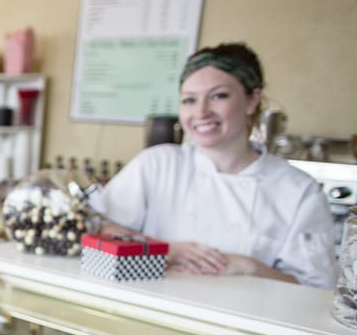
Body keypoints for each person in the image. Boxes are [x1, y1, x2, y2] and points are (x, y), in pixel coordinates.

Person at [100, 42, 336, 288]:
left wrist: (249, 267)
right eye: (189, 100)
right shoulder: (157, 164)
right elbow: (98, 230)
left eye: (218, 96)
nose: (201, 112)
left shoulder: (298, 190)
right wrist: (166, 250)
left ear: (252, 100)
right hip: (154, 314)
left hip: (241, 323)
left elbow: (315, 291)